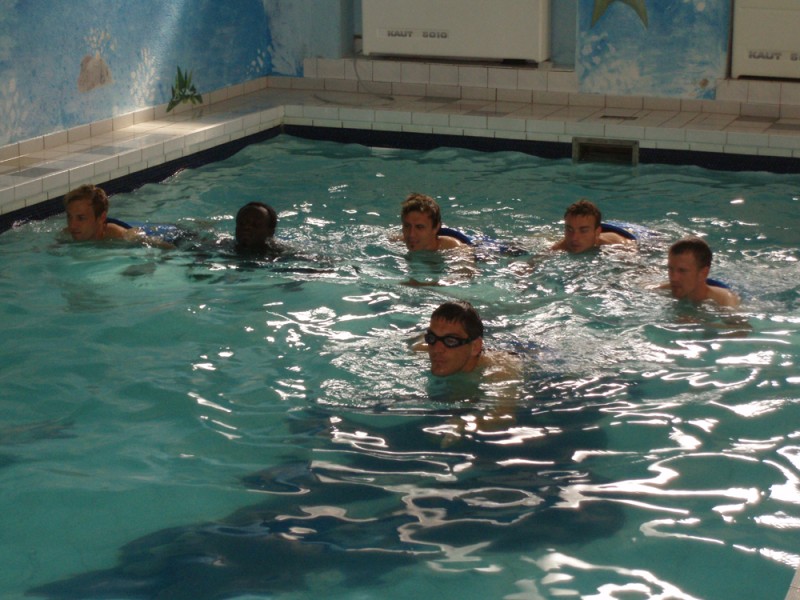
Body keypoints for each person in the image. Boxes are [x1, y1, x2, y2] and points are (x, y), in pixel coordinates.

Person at [415, 300, 521, 380]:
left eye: (450, 341)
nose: (436, 350)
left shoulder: (503, 372)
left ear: (475, 347)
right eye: (432, 338)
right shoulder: (421, 349)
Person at [660, 236, 740, 308]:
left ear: (703, 273)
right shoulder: (664, 290)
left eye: (682, 271)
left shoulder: (725, 301)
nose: (673, 278)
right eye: (670, 269)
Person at [551, 199, 634, 253]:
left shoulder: (617, 243)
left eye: (583, 231)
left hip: (631, 231)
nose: (574, 238)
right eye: (569, 229)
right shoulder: (561, 246)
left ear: (597, 232)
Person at [62, 184, 140, 242]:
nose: (72, 226)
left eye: (81, 218)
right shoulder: (66, 235)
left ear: (101, 218)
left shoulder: (118, 235)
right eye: (69, 217)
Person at [399, 193, 468, 252]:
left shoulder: (455, 249)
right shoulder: (401, 241)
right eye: (407, 226)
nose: (411, 234)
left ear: (436, 228)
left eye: (419, 227)